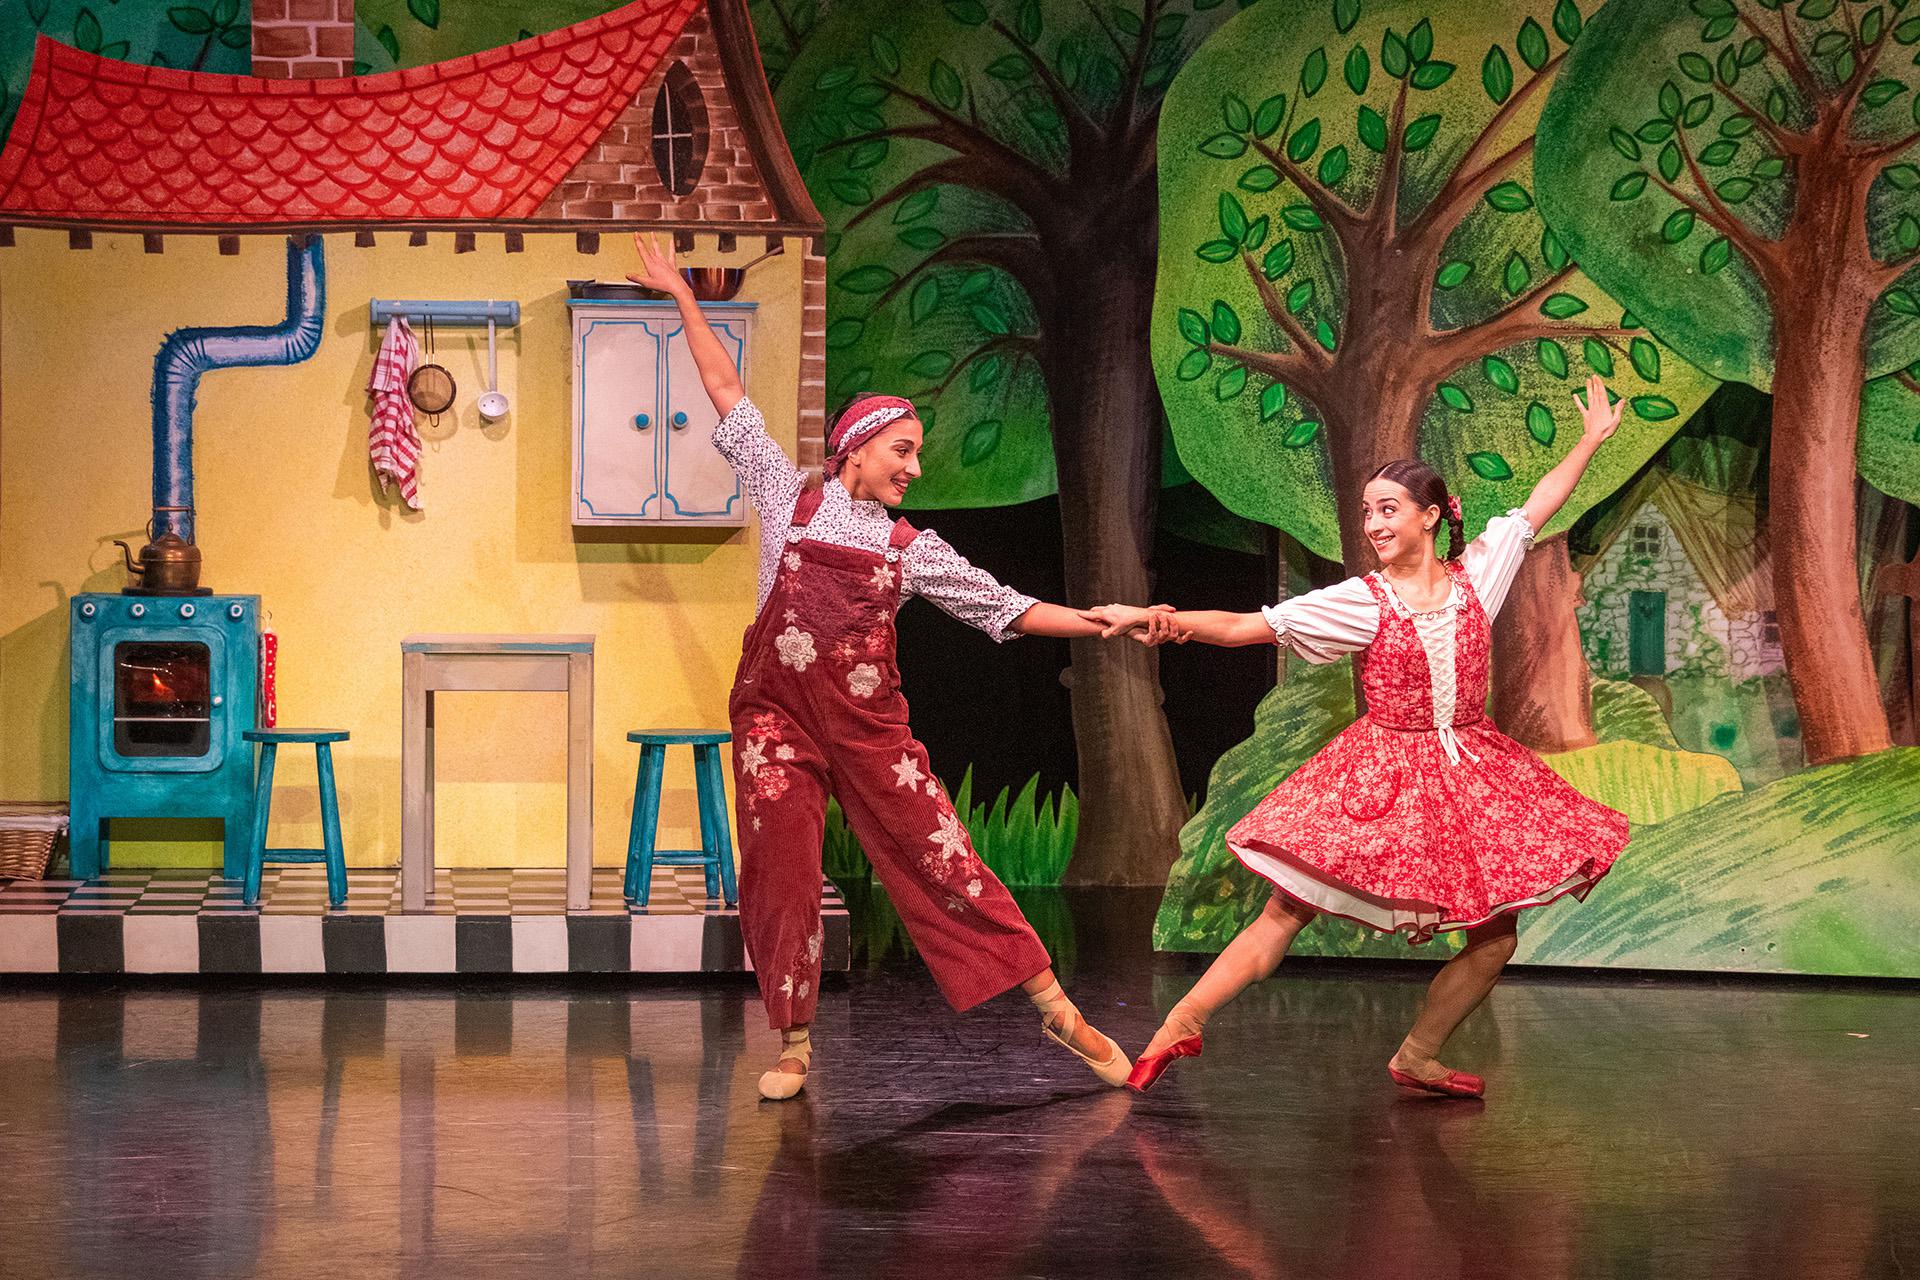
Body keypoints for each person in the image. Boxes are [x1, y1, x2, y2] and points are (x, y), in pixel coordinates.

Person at [627, 234, 1133, 1099]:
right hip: (777, 718)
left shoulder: (912, 548)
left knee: (942, 851)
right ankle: (793, 1042)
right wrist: (681, 296)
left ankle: (1054, 1006)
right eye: (903, 449)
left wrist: (1097, 622)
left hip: (869, 730)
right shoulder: (788, 497)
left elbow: (1003, 607)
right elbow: (725, 391)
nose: (915, 468)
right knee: (780, 871)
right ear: (856, 448)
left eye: (918, 453)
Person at [1089, 375, 1633, 1098]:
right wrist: (1160, 618)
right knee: (1287, 908)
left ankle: (1418, 1054)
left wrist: (1590, 441)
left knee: (1497, 935)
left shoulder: (1481, 573)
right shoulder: (1360, 601)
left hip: (1474, 768)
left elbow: (1539, 504)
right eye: (1368, 512)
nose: (1373, 525)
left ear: (1431, 517)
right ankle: (1178, 1025)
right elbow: (1248, 627)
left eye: (1388, 510)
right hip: (1384, 772)